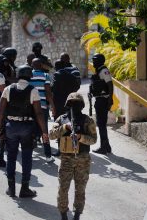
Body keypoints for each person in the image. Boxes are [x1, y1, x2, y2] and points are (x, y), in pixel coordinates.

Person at [0, 64, 49, 198]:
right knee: (26, 158)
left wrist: (0, 131)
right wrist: (44, 132)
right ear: (30, 75)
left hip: (11, 127)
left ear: (18, 74)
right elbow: (38, 113)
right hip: (27, 128)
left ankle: (11, 188)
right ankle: (24, 189)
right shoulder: (33, 91)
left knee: (11, 157)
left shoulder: (8, 89)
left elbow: (1, 113)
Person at [49, 92, 97, 220]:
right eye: (71, 104)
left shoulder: (88, 120)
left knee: (80, 190)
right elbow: (51, 135)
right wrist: (65, 127)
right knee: (63, 189)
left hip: (83, 159)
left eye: (77, 104)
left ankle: (77, 215)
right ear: (67, 105)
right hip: (66, 159)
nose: (74, 107)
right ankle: (63, 214)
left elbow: (93, 140)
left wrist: (80, 137)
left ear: (81, 106)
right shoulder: (61, 119)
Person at [51, 59, 80, 156]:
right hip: (69, 103)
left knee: (60, 126)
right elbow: (77, 86)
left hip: (59, 104)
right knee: (70, 123)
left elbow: (53, 89)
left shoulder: (57, 74)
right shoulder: (71, 74)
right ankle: (72, 146)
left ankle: (61, 149)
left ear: (56, 67)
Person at [29, 58, 56, 163]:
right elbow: (48, 93)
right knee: (44, 131)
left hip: (30, 108)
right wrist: (53, 106)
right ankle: (48, 156)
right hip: (42, 107)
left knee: (30, 131)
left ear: (32, 65)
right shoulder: (45, 76)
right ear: (41, 65)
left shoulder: (28, 75)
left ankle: (29, 154)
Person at [89, 53, 113, 155]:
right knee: (101, 124)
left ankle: (104, 147)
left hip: (103, 100)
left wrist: (110, 99)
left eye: (95, 60)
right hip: (99, 100)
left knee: (101, 124)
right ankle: (106, 146)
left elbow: (110, 84)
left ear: (99, 61)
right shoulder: (99, 71)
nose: (93, 62)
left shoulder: (104, 71)